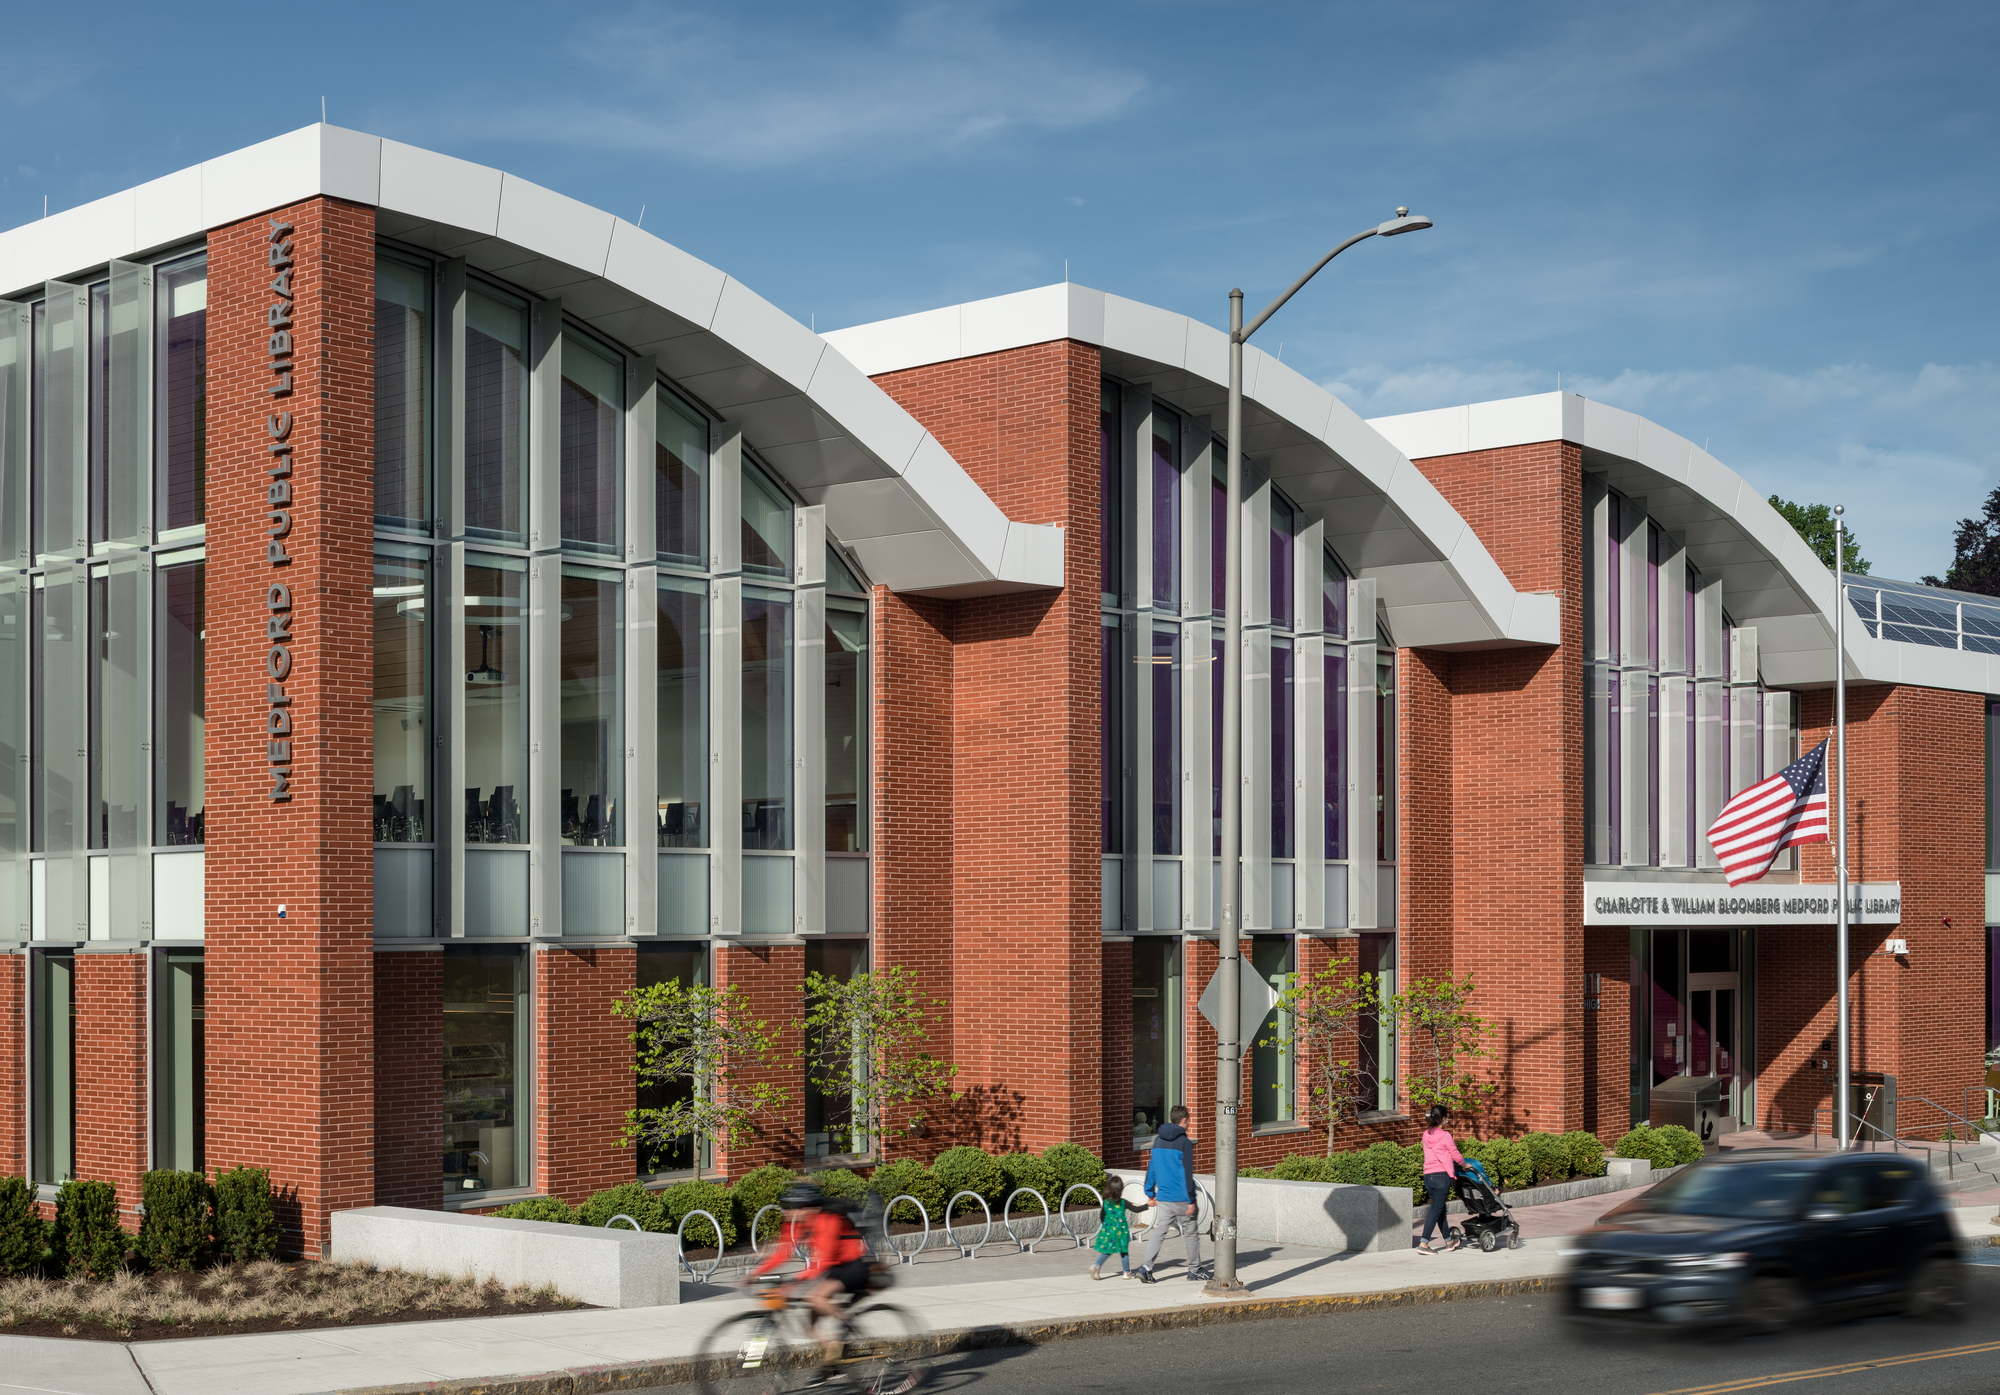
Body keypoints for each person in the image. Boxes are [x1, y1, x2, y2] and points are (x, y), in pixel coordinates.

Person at [748, 1182, 873, 1371]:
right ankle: (832, 1363)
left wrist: (794, 1282)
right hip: (833, 1266)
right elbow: (783, 1252)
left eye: (794, 1207)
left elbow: (822, 1262)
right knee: (810, 1324)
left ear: (810, 1208)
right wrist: (756, 1273)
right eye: (788, 1207)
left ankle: (848, 1330)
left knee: (816, 1297)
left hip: (854, 1264)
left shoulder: (828, 1221)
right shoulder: (797, 1222)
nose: (788, 1212)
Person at [1137, 1104, 1202, 1283]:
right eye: (1188, 1120)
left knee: (1159, 1232)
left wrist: (1149, 1192)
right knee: (1191, 1232)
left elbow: (1152, 1167)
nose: (1189, 1123)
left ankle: (1146, 1268)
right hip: (1181, 1198)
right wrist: (1191, 1199)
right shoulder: (1184, 1143)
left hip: (1164, 1197)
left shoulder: (1158, 1141)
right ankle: (1194, 1270)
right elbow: (1186, 1173)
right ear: (1184, 1120)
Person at [1416, 1104, 1465, 1255]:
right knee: (1435, 1210)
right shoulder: (1445, 1136)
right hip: (1441, 1177)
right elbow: (1455, 1153)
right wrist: (1464, 1164)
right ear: (1443, 1119)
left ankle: (1449, 1241)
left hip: (1428, 1177)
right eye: (1446, 1118)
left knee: (1440, 1210)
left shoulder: (1425, 1134)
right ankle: (1424, 1244)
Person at [1088, 1174, 1151, 1280]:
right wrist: (1147, 1205)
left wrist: (1106, 1227)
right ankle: (1125, 1272)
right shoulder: (1123, 1202)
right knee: (1124, 1251)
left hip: (1108, 1230)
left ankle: (1096, 1266)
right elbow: (1136, 1209)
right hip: (1121, 1232)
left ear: (1108, 1188)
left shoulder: (1106, 1203)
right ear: (1121, 1190)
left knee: (1108, 1251)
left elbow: (1102, 1216)